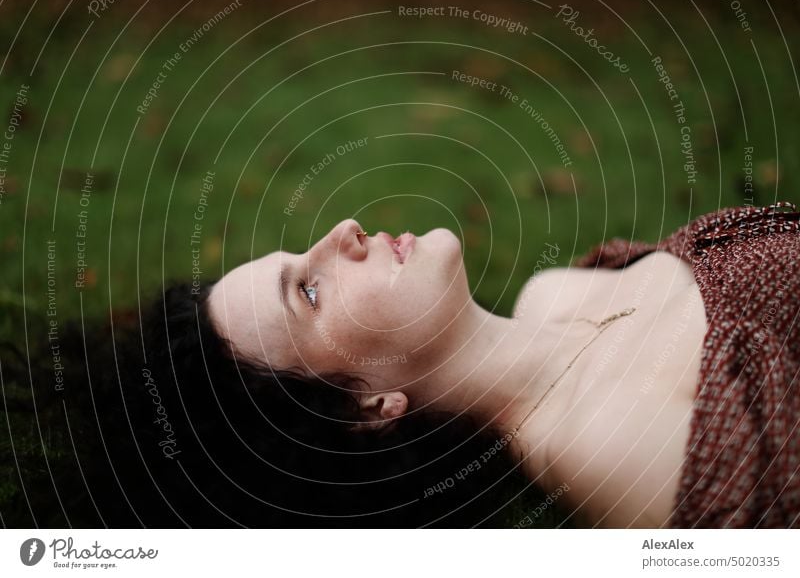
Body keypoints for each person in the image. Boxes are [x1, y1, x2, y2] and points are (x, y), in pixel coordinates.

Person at [4, 202, 798, 528]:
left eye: (300, 254)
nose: (341, 229)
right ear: (367, 408)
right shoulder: (601, 445)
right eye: (310, 291)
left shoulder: (554, 292)